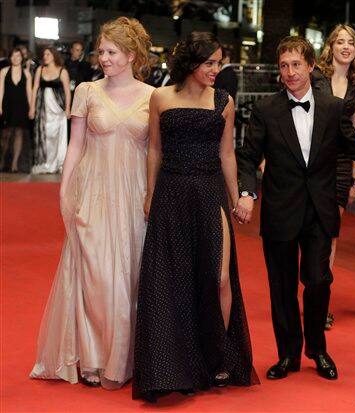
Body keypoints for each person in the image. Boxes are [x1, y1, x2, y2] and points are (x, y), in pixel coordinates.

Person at [236, 36, 355, 382]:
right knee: (282, 287)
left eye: (296, 65)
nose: (290, 72)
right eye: (284, 66)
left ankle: (316, 349)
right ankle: (287, 354)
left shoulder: (332, 108)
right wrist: (246, 192)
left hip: (320, 208)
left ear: (311, 66)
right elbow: (247, 157)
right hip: (280, 209)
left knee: (318, 281)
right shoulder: (266, 109)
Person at [30, 17, 154, 389]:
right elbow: (76, 144)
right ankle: (94, 358)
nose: (104, 57)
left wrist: (155, 194)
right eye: (101, 51)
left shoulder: (153, 97)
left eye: (111, 52)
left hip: (135, 196)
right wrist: (65, 187)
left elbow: (156, 152)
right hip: (96, 194)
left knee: (129, 279)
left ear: (131, 55)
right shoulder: (86, 90)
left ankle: (124, 359)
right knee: (96, 276)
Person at [133, 32, 258, 403]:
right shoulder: (161, 97)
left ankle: (217, 354)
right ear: (190, 64)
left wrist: (237, 199)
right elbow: (154, 149)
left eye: (219, 62)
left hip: (209, 192)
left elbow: (228, 155)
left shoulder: (224, 101)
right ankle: (173, 364)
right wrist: (150, 193)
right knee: (173, 280)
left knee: (219, 277)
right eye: (210, 63)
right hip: (171, 193)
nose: (216, 69)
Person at [314, 23, 355, 330]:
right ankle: (310, 290)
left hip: (343, 165)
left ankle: (321, 303)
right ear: (331, 47)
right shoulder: (315, 79)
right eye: (340, 42)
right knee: (311, 232)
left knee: (330, 234)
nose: (346, 46)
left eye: (351, 42)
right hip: (313, 162)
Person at [29, 47, 71, 174]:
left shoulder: (62, 71)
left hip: (58, 109)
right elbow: (35, 88)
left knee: (57, 137)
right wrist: (32, 107)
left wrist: (68, 108)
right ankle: (45, 164)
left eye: (48, 54)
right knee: (44, 135)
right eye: (44, 54)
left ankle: (56, 164)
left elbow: (67, 91)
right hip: (43, 109)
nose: (45, 56)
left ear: (54, 55)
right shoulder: (39, 70)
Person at [0, 47, 32, 172]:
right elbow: (1, 90)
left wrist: (31, 108)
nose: (15, 58)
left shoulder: (27, 74)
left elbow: (29, 92)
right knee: (5, 135)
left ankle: (14, 164)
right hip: (7, 105)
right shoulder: (3, 71)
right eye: (13, 56)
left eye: (18, 56)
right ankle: (2, 160)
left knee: (19, 133)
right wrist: (0, 105)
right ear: (10, 57)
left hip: (22, 106)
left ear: (21, 58)